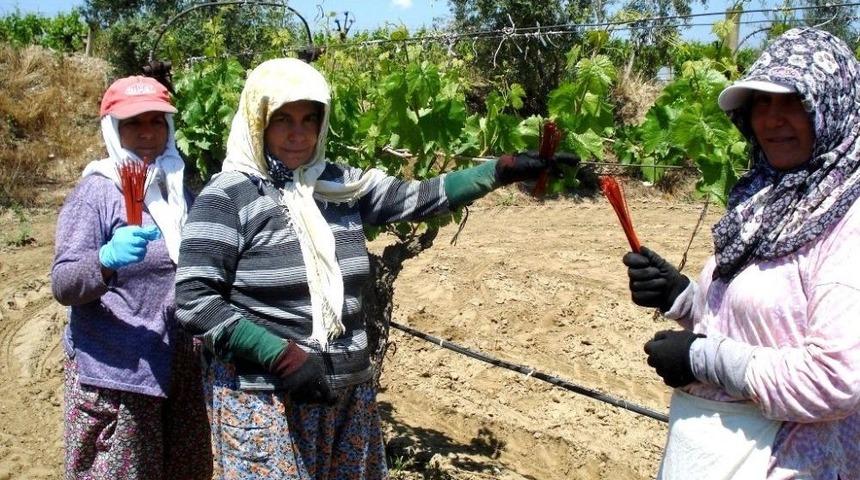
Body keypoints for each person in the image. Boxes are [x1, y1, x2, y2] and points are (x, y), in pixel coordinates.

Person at [174, 58, 574, 479]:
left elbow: (418, 197)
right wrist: (281, 356)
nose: (299, 134)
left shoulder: (339, 186)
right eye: (283, 120)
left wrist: (500, 170)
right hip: (266, 399)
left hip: (345, 394)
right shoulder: (227, 196)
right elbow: (194, 300)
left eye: (310, 119)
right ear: (258, 121)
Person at [622, 28, 860, 479]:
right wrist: (683, 297)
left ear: (831, 106)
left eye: (793, 101)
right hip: (726, 449)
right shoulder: (767, 197)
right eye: (761, 104)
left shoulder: (850, 219)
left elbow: (836, 379)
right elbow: (759, 321)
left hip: (796, 461)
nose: (772, 120)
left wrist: (701, 358)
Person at [51, 76, 212, 479]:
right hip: (118, 377)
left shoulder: (177, 191)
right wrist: (105, 259)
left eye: (157, 121)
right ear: (113, 129)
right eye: (133, 123)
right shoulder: (97, 193)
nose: (147, 133)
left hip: (179, 371)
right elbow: (64, 283)